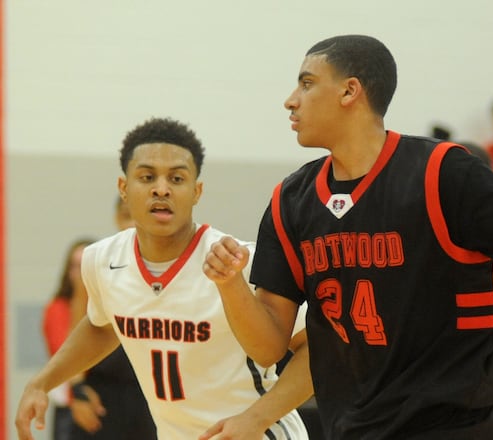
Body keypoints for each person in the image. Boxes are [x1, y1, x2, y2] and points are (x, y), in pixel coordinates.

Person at [202, 34, 493, 439]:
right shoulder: (291, 201)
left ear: (350, 91)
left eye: (306, 83)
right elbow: (269, 346)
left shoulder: (444, 173)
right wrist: (229, 285)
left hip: (455, 427)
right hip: (351, 429)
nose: (290, 101)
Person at [15, 117, 308, 440]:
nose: (161, 188)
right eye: (147, 176)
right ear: (123, 188)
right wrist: (41, 382)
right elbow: (102, 326)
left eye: (177, 178)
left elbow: (316, 348)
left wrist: (255, 419)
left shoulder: (238, 261)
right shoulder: (101, 260)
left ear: (197, 191)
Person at [63, 197, 157, 440]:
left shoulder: (168, 270)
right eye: (126, 215)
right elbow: (75, 335)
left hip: (152, 393)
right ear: (117, 217)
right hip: (102, 394)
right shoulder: (98, 264)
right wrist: (77, 390)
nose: (131, 223)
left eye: (137, 216)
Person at [42, 239, 94, 440]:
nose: (79, 273)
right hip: (71, 404)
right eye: (75, 266)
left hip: (108, 401)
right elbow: (64, 354)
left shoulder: (109, 309)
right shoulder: (57, 308)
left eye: (85, 266)